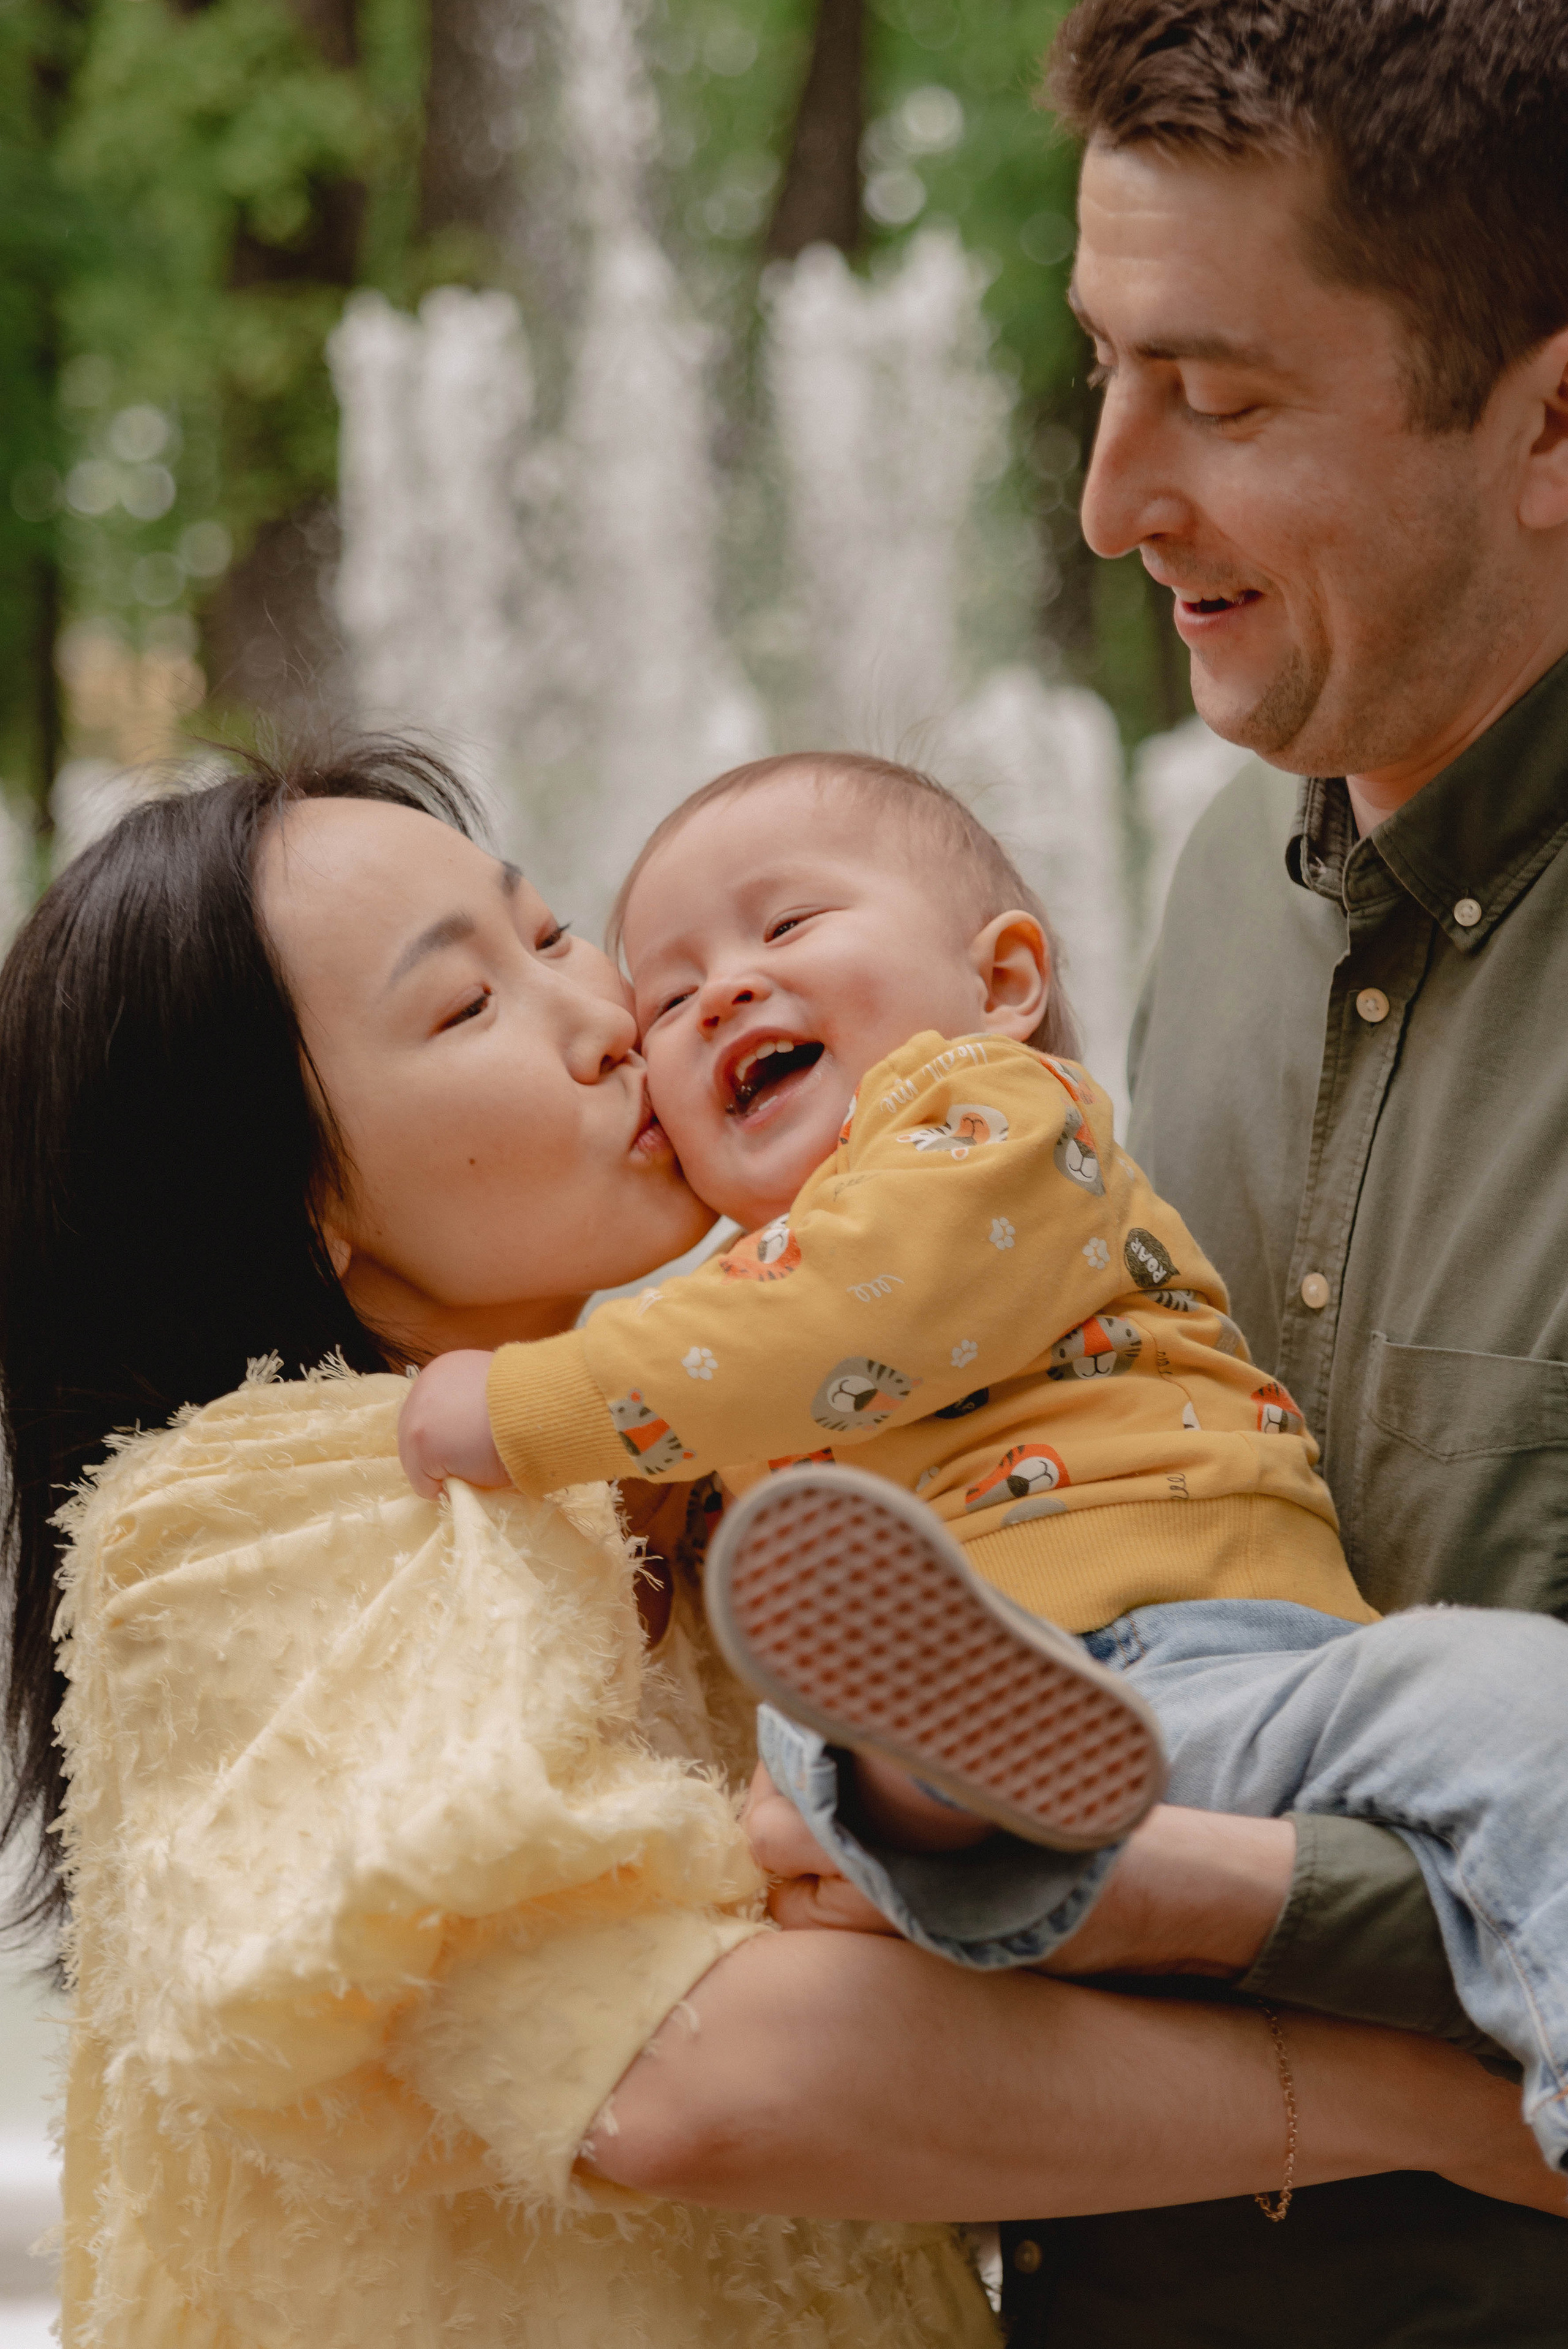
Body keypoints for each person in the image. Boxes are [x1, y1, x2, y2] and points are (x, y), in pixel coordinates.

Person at [0, 749, 1552, 2342]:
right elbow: (683, 2078)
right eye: (469, 1007)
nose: (612, 1018)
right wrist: (1446, 2111)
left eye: (545, 939)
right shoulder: (276, 1506)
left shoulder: (684, 1471)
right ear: (294, 1206)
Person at [734, 0, 1568, 2339]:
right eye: (1102, 365)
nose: (1110, 495)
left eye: (1222, 395)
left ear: (1553, 419)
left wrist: (1190, 1885)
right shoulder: (1203, 899)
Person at [398, 746, 1568, 2173]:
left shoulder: (998, 1124)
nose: (720, 993)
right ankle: (931, 1777)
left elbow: (848, 1307)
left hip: (1250, 1684)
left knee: (1514, 1697)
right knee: (834, 1703)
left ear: (1002, 981)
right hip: (987, 1740)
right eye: (667, 996)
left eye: (784, 928)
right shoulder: (717, 1333)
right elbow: (711, 1424)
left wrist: (516, 1409)